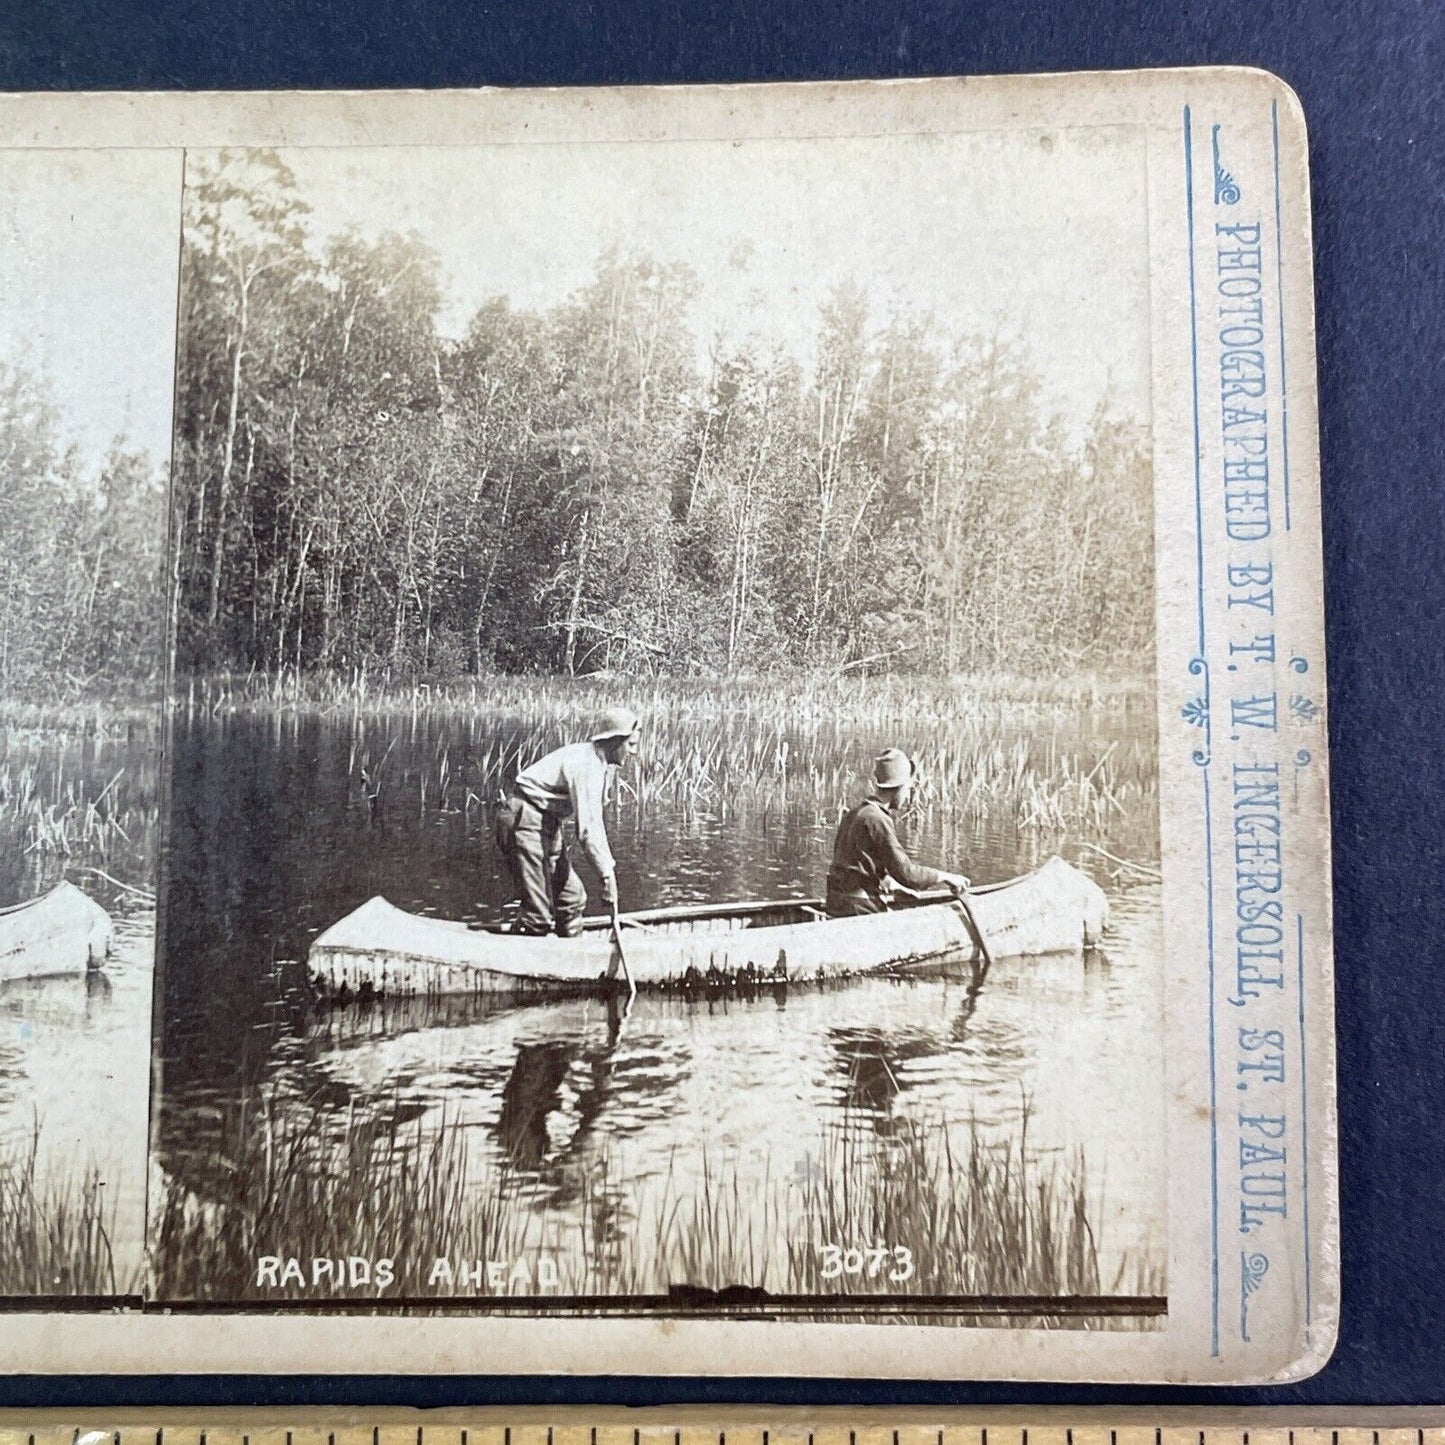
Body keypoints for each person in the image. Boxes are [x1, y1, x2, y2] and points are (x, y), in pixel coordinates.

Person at [494, 707, 640, 936]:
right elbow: (587, 831)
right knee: (538, 916)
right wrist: (606, 875)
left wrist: (608, 869)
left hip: (545, 824)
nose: (634, 752)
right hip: (523, 820)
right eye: (631, 745)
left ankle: (574, 956)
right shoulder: (585, 764)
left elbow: (596, 822)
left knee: (572, 900)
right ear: (615, 741)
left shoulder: (600, 765)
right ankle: (520, 955)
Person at [824, 748, 969, 917]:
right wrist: (947, 877)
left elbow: (855, 868)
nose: (908, 796)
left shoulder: (854, 814)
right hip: (858, 909)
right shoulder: (878, 820)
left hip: (835, 903)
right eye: (908, 789)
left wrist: (896, 887)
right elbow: (909, 874)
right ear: (898, 788)